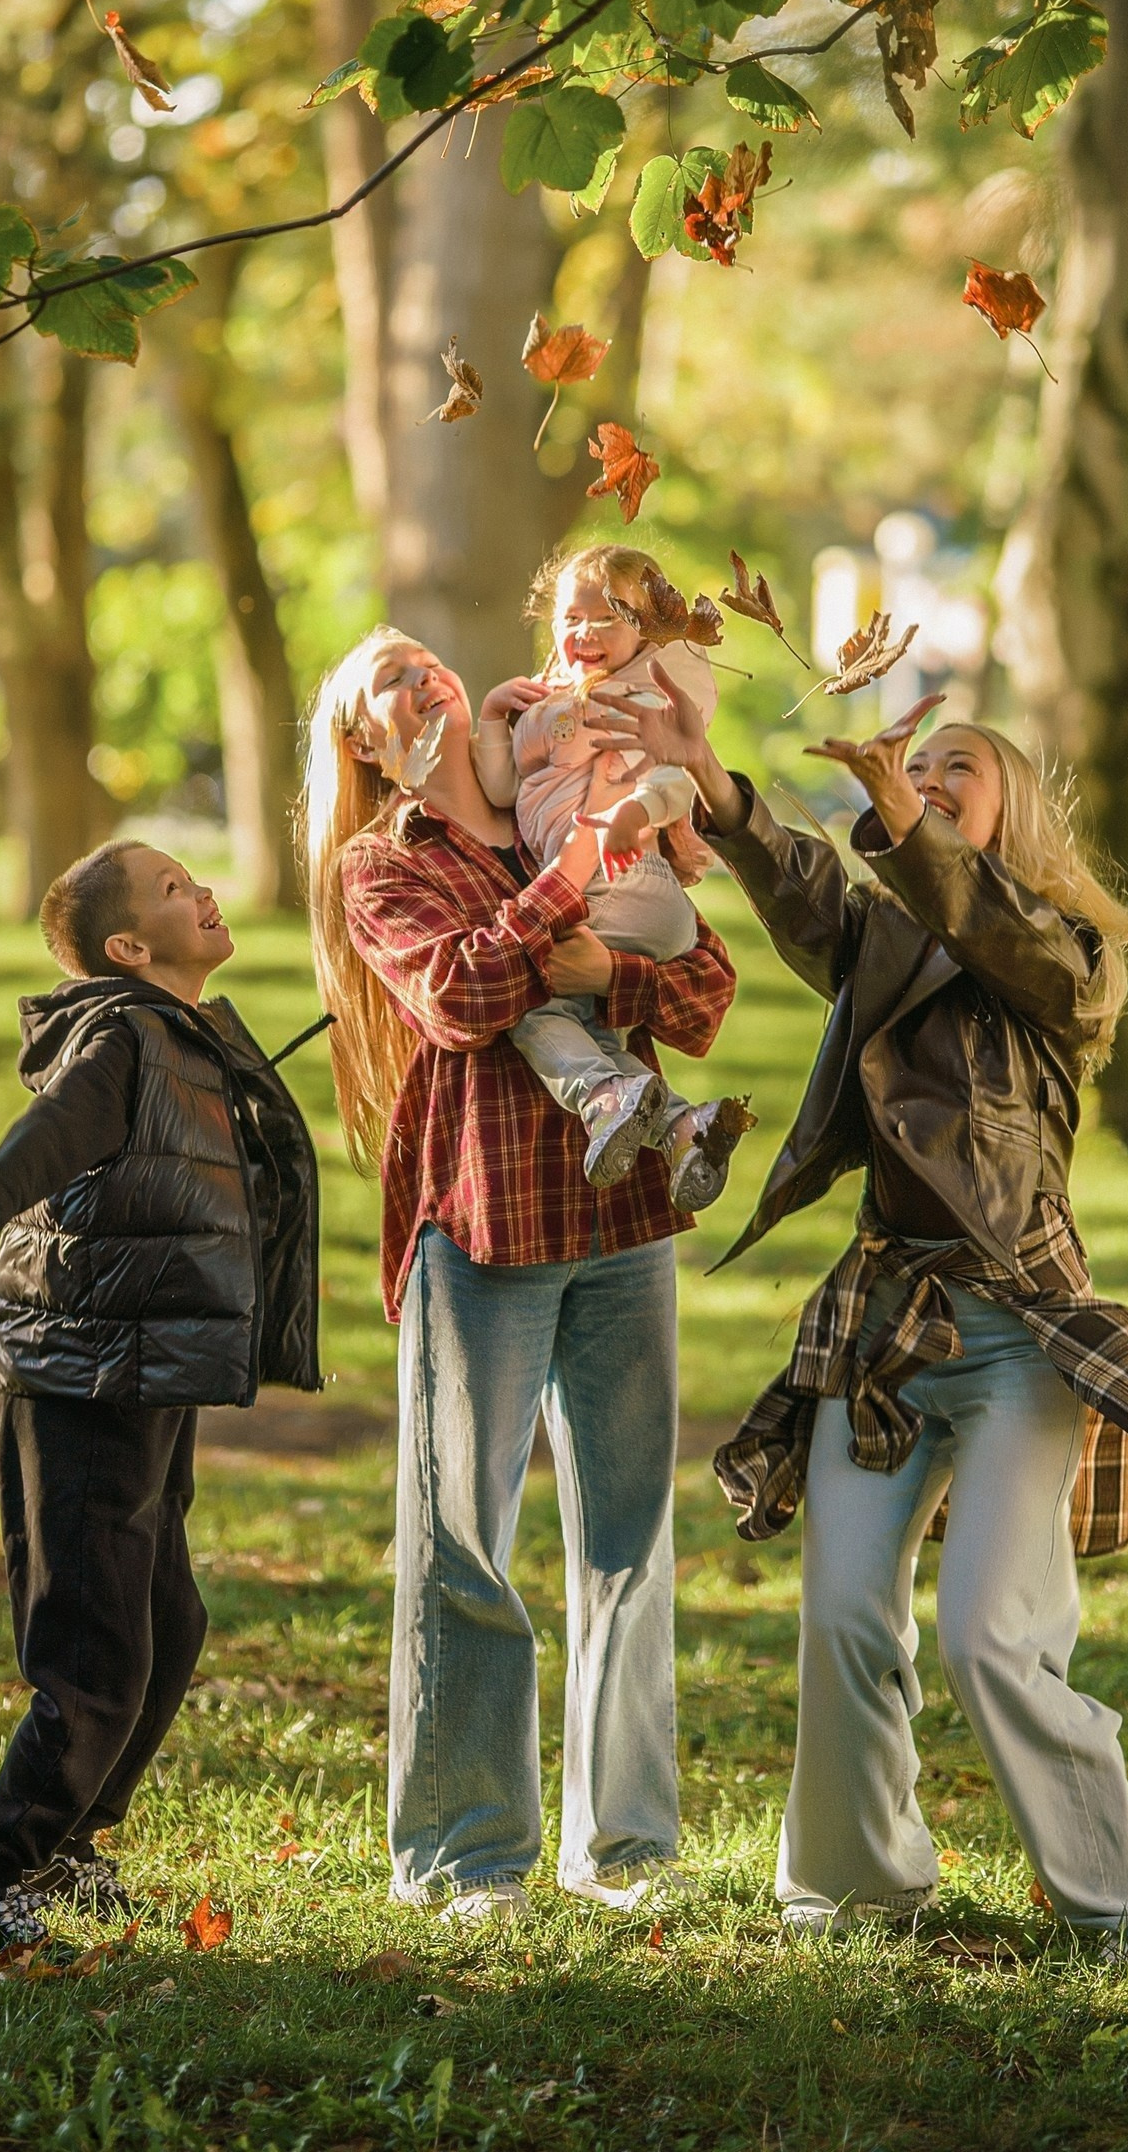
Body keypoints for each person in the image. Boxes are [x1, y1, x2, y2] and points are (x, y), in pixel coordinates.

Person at [588, 668, 1128, 1944]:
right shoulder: (887, 936)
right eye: (925, 761)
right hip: (885, 1322)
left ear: (1011, 808)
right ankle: (854, 1884)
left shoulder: (1073, 956)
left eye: (963, 765)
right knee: (845, 1612)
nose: (932, 775)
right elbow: (804, 891)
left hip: (1022, 1333)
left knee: (988, 1635)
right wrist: (723, 784)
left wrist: (908, 822)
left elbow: (992, 928)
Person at [304, 626, 736, 1924]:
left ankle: (628, 1848)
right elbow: (459, 996)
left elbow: (704, 991)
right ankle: (468, 1857)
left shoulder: (566, 798)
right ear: (366, 743)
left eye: (429, 661)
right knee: (460, 1545)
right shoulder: (389, 866)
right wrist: (570, 893)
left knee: (629, 1539)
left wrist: (611, 954)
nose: (424, 676)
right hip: (481, 1228)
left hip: (623, 1223)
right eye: (389, 680)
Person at [0, 842, 321, 1968]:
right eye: (176, 889)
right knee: (95, 1657)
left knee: (168, 1625)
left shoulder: (185, 1030)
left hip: (140, 1371)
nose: (206, 890)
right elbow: (51, 1136)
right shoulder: (115, 1034)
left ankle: (69, 1843)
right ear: (130, 947)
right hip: (77, 1375)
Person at [475, 543, 750, 1203]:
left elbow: (676, 774)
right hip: (620, 898)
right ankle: (686, 1126)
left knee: (533, 1004)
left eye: (609, 618)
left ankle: (601, 1098)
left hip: (624, 878)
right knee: (591, 1026)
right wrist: (491, 716)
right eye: (572, 618)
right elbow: (500, 787)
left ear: (647, 630)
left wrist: (634, 810)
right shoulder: (552, 705)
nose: (585, 633)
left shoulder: (644, 698)